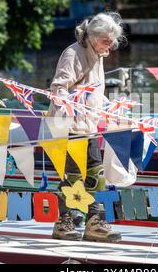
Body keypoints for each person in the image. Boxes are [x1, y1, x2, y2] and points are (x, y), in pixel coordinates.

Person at [48, 12, 126, 242]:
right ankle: (64, 224)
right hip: (70, 126)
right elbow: (58, 88)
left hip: (88, 125)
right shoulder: (73, 53)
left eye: (111, 43)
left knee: (96, 174)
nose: (109, 48)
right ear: (93, 36)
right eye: (106, 42)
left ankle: (94, 224)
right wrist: (73, 105)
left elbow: (94, 90)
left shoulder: (97, 53)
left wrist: (111, 107)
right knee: (72, 176)